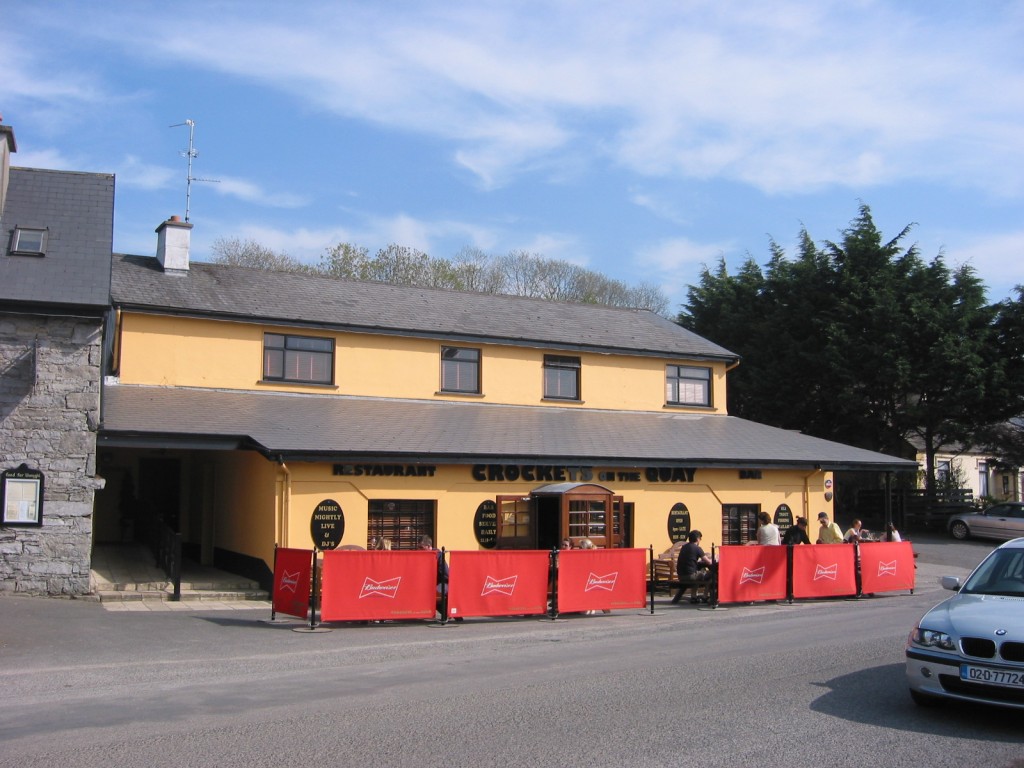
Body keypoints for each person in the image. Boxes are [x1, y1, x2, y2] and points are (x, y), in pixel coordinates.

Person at [671, 530, 713, 604]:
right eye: (700, 538)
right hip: (690, 576)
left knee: (698, 574)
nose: (700, 540)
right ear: (697, 539)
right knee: (710, 575)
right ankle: (705, 596)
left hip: (681, 576)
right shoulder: (697, 548)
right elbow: (709, 562)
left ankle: (694, 597)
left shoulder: (684, 547)